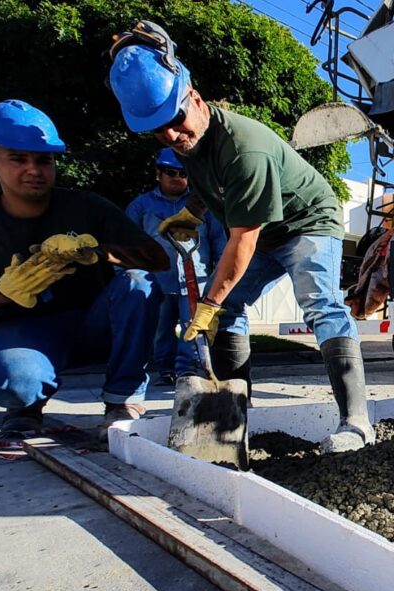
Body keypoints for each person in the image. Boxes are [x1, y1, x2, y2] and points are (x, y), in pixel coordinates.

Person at [105, 21, 374, 453]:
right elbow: (211, 188)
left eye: (175, 120)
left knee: (319, 303)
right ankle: (232, 421)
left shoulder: (244, 148)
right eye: (157, 131)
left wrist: (207, 304)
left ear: (194, 98)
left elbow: (242, 239)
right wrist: (190, 215)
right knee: (229, 308)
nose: (170, 136)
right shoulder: (188, 145)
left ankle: (356, 424)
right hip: (265, 231)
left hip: (306, 220)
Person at [0, 99, 168, 436]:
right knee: (15, 381)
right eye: (18, 159)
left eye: (43, 160)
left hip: (93, 324)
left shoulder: (88, 207)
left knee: (138, 283)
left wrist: (97, 250)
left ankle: (122, 400)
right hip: (25, 330)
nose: (34, 169)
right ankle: (25, 406)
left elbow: (157, 260)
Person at [125, 147, 227, 385]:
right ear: (158, 173)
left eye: (183, 173)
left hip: (196, 280)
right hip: (156, 280)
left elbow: (219, 240)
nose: (177, 178)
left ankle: (187, 371)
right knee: (161, 328)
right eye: (171, 172)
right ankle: (165, 369)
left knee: (193, 326)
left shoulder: (201, 204)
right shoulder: (142, 205)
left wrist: (219, 272)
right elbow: (126, 241)